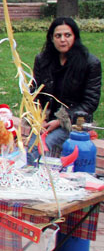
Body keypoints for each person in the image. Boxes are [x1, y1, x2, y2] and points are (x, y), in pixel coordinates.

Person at [28, 17, 101, 162]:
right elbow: (34, 94)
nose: (63, 40)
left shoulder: (90, 63)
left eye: (67, 35)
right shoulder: (42, 60)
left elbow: (90, 103)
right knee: (31, 146)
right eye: (58, 36)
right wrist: (39, 118)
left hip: (74, 122)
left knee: (44, 145)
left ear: (75, 37)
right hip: (45, 120)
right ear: (51, 38)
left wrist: (61, 120)